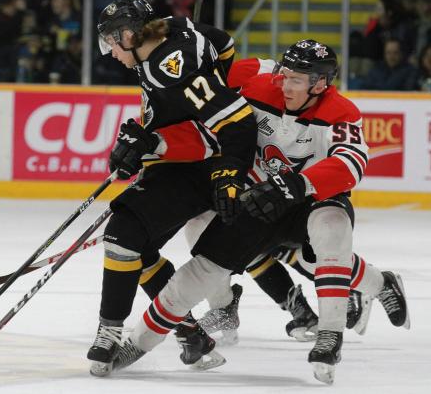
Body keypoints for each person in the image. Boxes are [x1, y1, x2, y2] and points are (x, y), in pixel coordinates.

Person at [115, 40, 411, 385]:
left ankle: (329, 336)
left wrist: (295, 186)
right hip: (258, 200)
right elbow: (197, 94)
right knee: (202, 269)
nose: (285, 85)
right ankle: (137, 343)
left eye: (297, 80)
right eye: (285, 75)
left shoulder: (341, 112)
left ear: (320, 84)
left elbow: (350, 164)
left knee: (331, 232)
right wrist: (154, 139)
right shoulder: (256, 78)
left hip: (310, 201)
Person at [88, 0, 257, 377]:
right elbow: (223, 40)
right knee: (136, 245)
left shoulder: (171, 66)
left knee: (122, 237)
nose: (110, 52)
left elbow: (236, 125)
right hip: (180, 160)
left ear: (129, 35)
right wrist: (145, 139)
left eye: (111, 42)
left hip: (199, 168)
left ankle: (109, 332)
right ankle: (191, 335)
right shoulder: (168, 30)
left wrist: (227, 172)